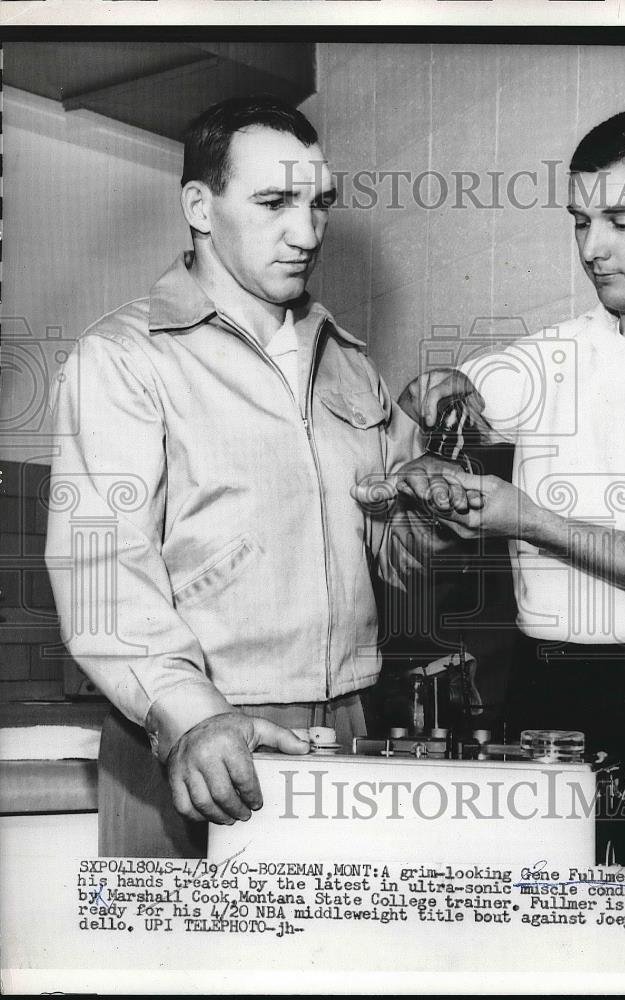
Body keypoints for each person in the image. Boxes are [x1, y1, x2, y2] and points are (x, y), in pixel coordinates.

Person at [45, 96, 442, 858]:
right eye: (273, 203)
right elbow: (100, 567)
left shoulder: (351, 364)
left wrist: (435, 500)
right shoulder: (126, 358)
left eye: (318, 203)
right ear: (199, 205)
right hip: (198, 734)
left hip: (347, 725)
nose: (307, 233)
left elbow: (395, 558)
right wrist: (190, 715)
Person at [376, 107, 625, 867]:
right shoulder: (560, 349)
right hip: (540, 698)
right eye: (579, 221)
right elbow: (449, 399)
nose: (591, 249)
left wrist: (531, 520)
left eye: (620, 219)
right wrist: (438, 403)